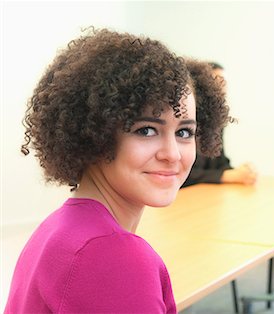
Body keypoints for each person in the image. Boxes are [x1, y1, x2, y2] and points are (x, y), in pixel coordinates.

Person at [5, 28, 230, 313]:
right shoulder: (111, 255)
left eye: (185, 132)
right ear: (94, 133)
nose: (172, 154)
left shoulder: (59, 228)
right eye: (146, 130)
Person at [182, 61, 257, 188]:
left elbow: (219, 163)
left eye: (224, 82)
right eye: (217, 80)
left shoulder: (215, 121)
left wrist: (239, 172)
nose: (222, 87)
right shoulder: (185, 119)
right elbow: (182, 173)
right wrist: (225, 176)